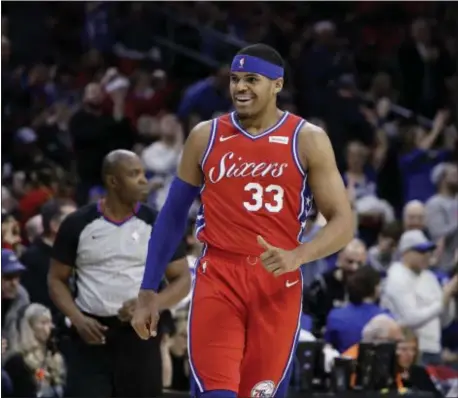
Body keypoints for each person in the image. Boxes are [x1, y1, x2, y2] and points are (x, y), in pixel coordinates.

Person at [132, 43, 354, 398]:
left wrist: (299, 255)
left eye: (252, 79)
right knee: (216, 392)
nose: (240, 87)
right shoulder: (206, 135)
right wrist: (148, 289)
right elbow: (171, 217)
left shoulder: (307, 139)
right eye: (235, 79)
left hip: (276, 282)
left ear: (277, 85)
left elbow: (343, 222)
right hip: (219, 276)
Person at [48, 150, 191, 397]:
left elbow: (182, 279)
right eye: (134, 174)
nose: (144, 180)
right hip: (90, 336)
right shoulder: (77, 223)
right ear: (113, 181)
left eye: (143, 173)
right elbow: (55, 279)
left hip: (140, 337)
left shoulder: (157, 223)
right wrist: (78, 319)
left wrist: (151, 303)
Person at [381, 229, 458, 366]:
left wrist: (449, 298)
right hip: (409, 351)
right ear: (406, 252)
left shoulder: (429, 277)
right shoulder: (396, 277)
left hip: (434, 349)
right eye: (421, 252)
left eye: (428, 251)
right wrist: (443, 299)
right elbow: (410, 319)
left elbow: (443, 321)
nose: (427, 255)